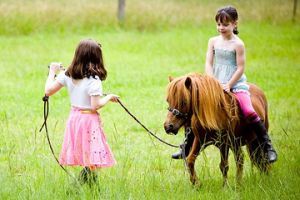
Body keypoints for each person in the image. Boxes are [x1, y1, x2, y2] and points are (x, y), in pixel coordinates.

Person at [172, 6, 277, 164]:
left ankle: (267, 146)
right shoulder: (213, 41)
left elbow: (240, 68)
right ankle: (186, 146)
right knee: (195, 109)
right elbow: (208, 62)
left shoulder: (238, 44)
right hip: (215, 84)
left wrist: (229, 84)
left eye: (225, 24)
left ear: (235, 24)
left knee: (248, 110)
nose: (221, 28)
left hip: (234, 84)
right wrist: (212, 82)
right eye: (218, 24)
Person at [44, 39, 119, 185]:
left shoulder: (67, 74)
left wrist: (52, 72)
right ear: (96, 58)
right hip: (88, 121)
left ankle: (86, 186)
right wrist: (109, 97)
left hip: (74, 118)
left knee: (87, 154)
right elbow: (95, 105)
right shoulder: (94, 79)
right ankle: (81, 185)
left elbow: (48, 91)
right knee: (93, 156)